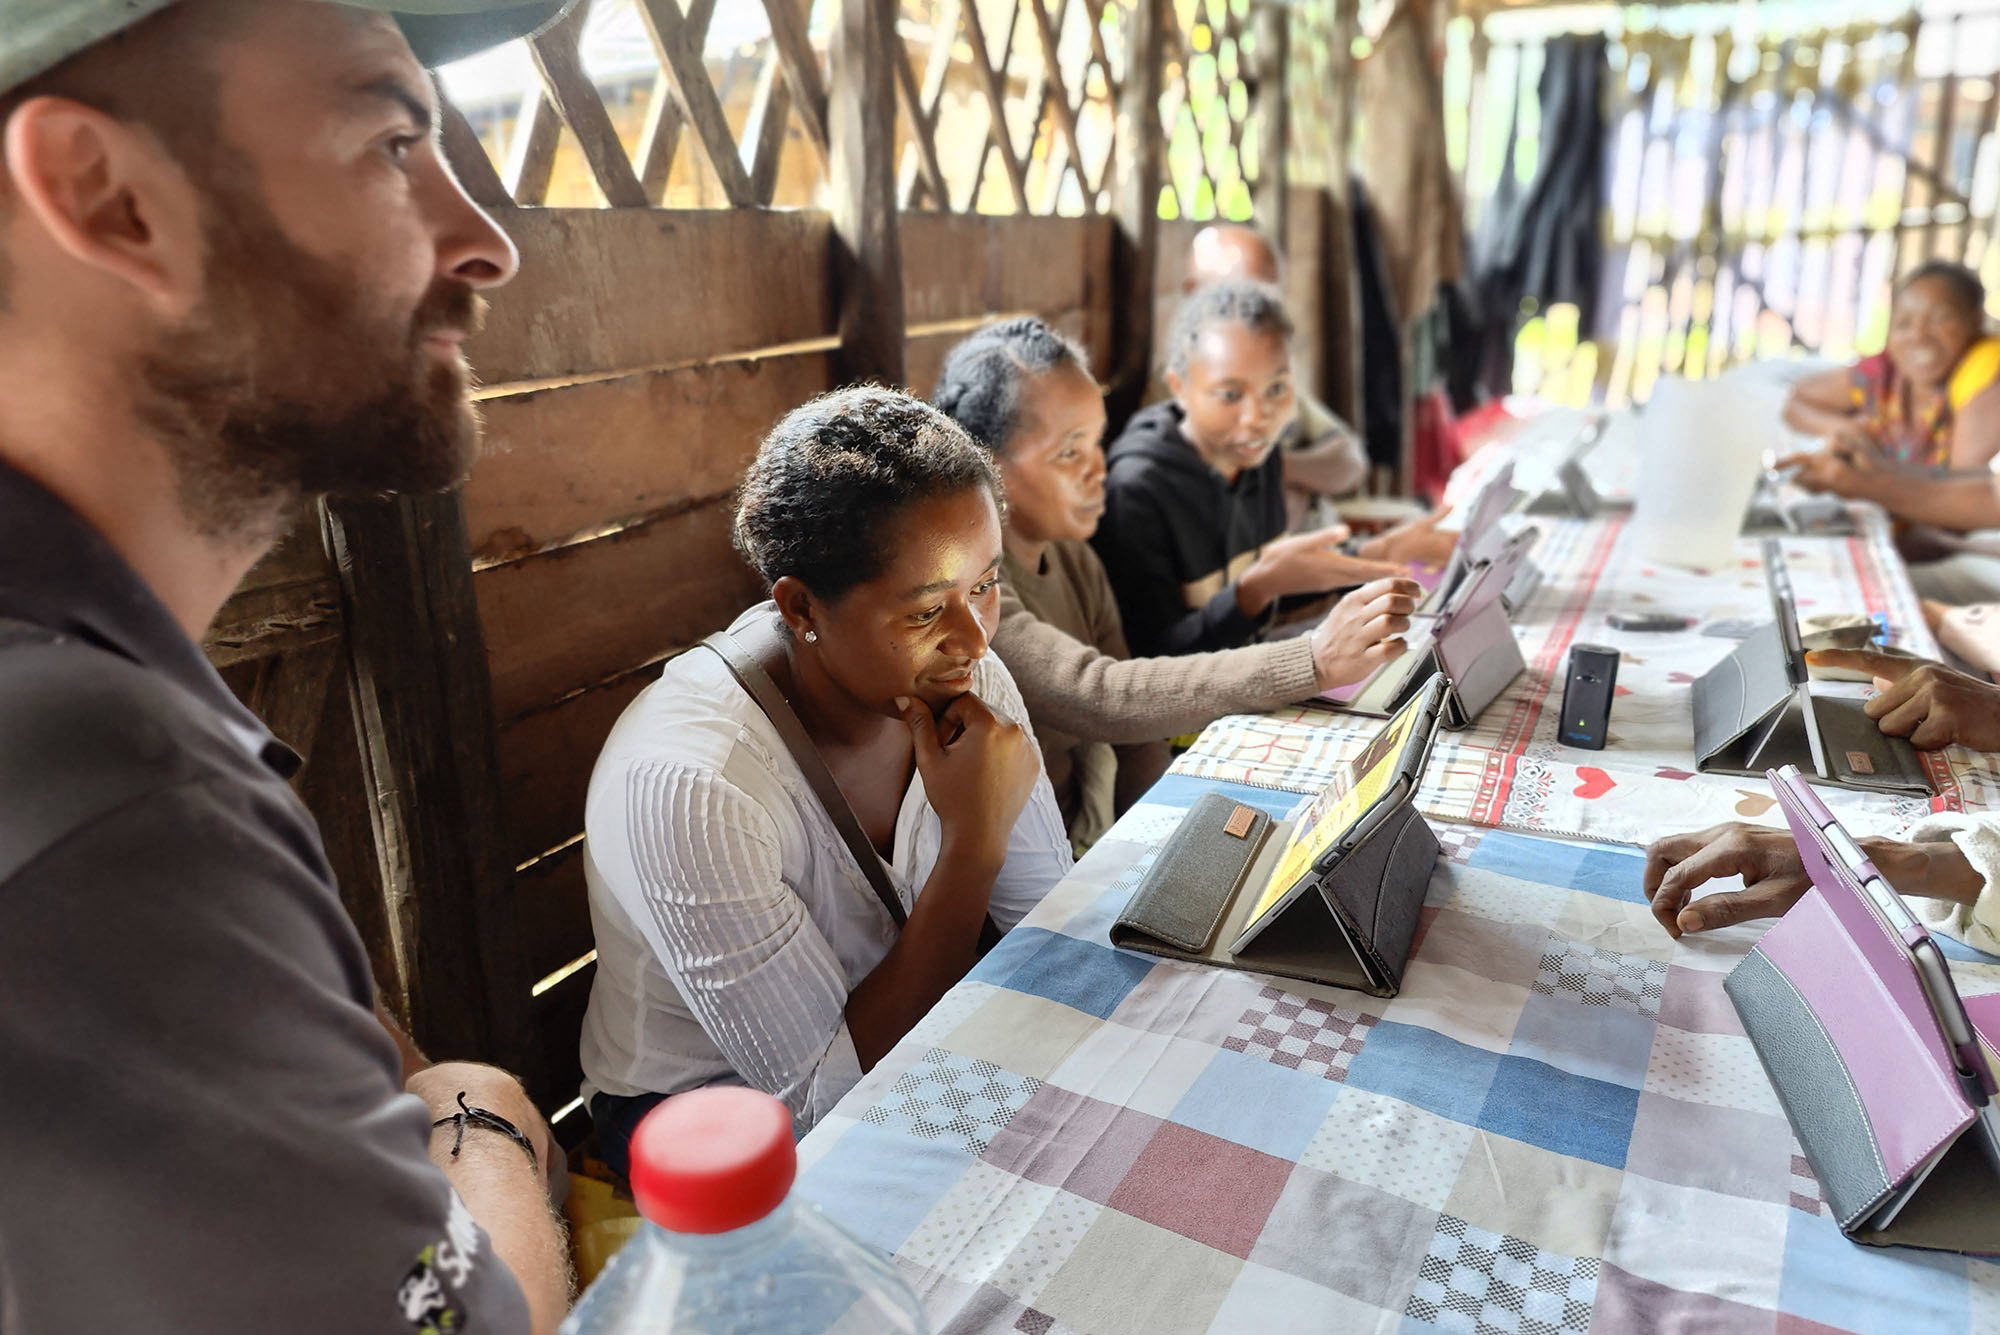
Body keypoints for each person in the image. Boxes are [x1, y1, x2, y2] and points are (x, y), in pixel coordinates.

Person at [0, 3, 574, 1332]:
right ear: (108, 197)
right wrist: (474, 1110)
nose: (487, 239)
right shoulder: (101, 791)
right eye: (391, 138)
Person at [577, 388, 1072, 1173]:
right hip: (709, 1113)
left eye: (984, 584)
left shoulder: (966, 677)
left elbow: (1053, 931)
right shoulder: (694, 785)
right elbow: (826, 1105)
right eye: (923, 613)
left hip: (898, 1030)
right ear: (801, 608)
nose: (975, 639)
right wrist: (974, 845)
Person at [932, 316, 1420, 850]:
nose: (1099, 469)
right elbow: (1098, 695)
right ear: (986, 467)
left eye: (1098, 442)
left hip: (1097, 835)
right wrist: (1313, 661)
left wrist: (1157, 843)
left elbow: (1138, 741)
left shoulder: (1076, 559)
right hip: (1023, 862)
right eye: (1069, 453)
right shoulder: (973, 590)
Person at [1095, 279, 1417, 657]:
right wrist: (1252, 593)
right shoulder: (1136, 491)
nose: (1258, 417)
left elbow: (1281, 591)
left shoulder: (1258, 456)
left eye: (1277, 389)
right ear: (1178, 386)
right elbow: (1151, 660)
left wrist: (1383, 552)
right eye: (1230, 395)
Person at [1780, 262, 2000, 602]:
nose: (1919, 335)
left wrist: (1870, 483)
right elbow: (1795, 401)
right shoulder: (1884, 374)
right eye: (1904, 323)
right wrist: (1845, 428)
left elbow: (1970, 502)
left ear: (1976, 322)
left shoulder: (1985, 372)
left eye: (1942, 319)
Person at [1182, 223, 1373, 507]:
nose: (1257, 313)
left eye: (1268, 299)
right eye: (1240, 297)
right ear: (1192, 292)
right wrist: (1298, 479)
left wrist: (1277, 470)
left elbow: (1350, 460)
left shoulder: (1271, 377)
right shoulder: (1180, 386)